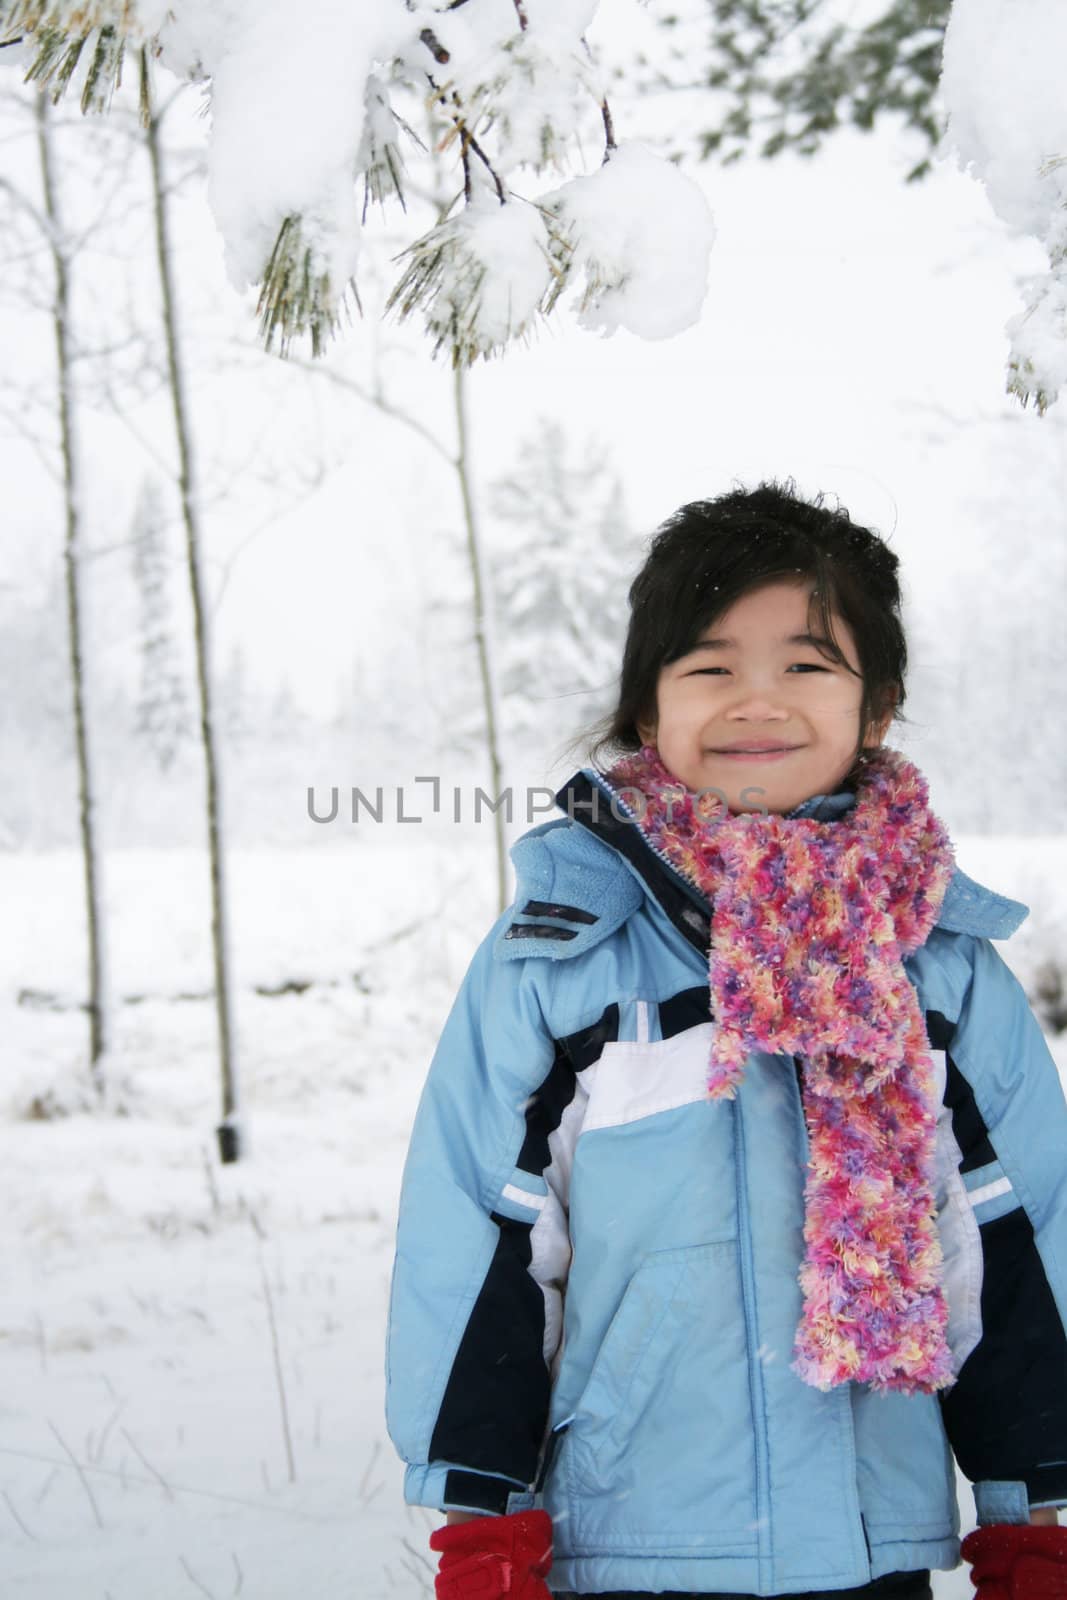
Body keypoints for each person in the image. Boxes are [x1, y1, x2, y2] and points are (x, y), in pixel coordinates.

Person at [385, 482, 1067, 1600]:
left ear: (876, 707)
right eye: (709, 667)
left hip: (869, 1546)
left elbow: (1010, 1238)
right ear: (648, 713)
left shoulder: (934, 967)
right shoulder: (561, 960)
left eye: (805, 664)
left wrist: (1028, 1507)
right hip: (629, 1544)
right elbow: (484, 1239)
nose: (758, 701)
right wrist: (482, 1516)